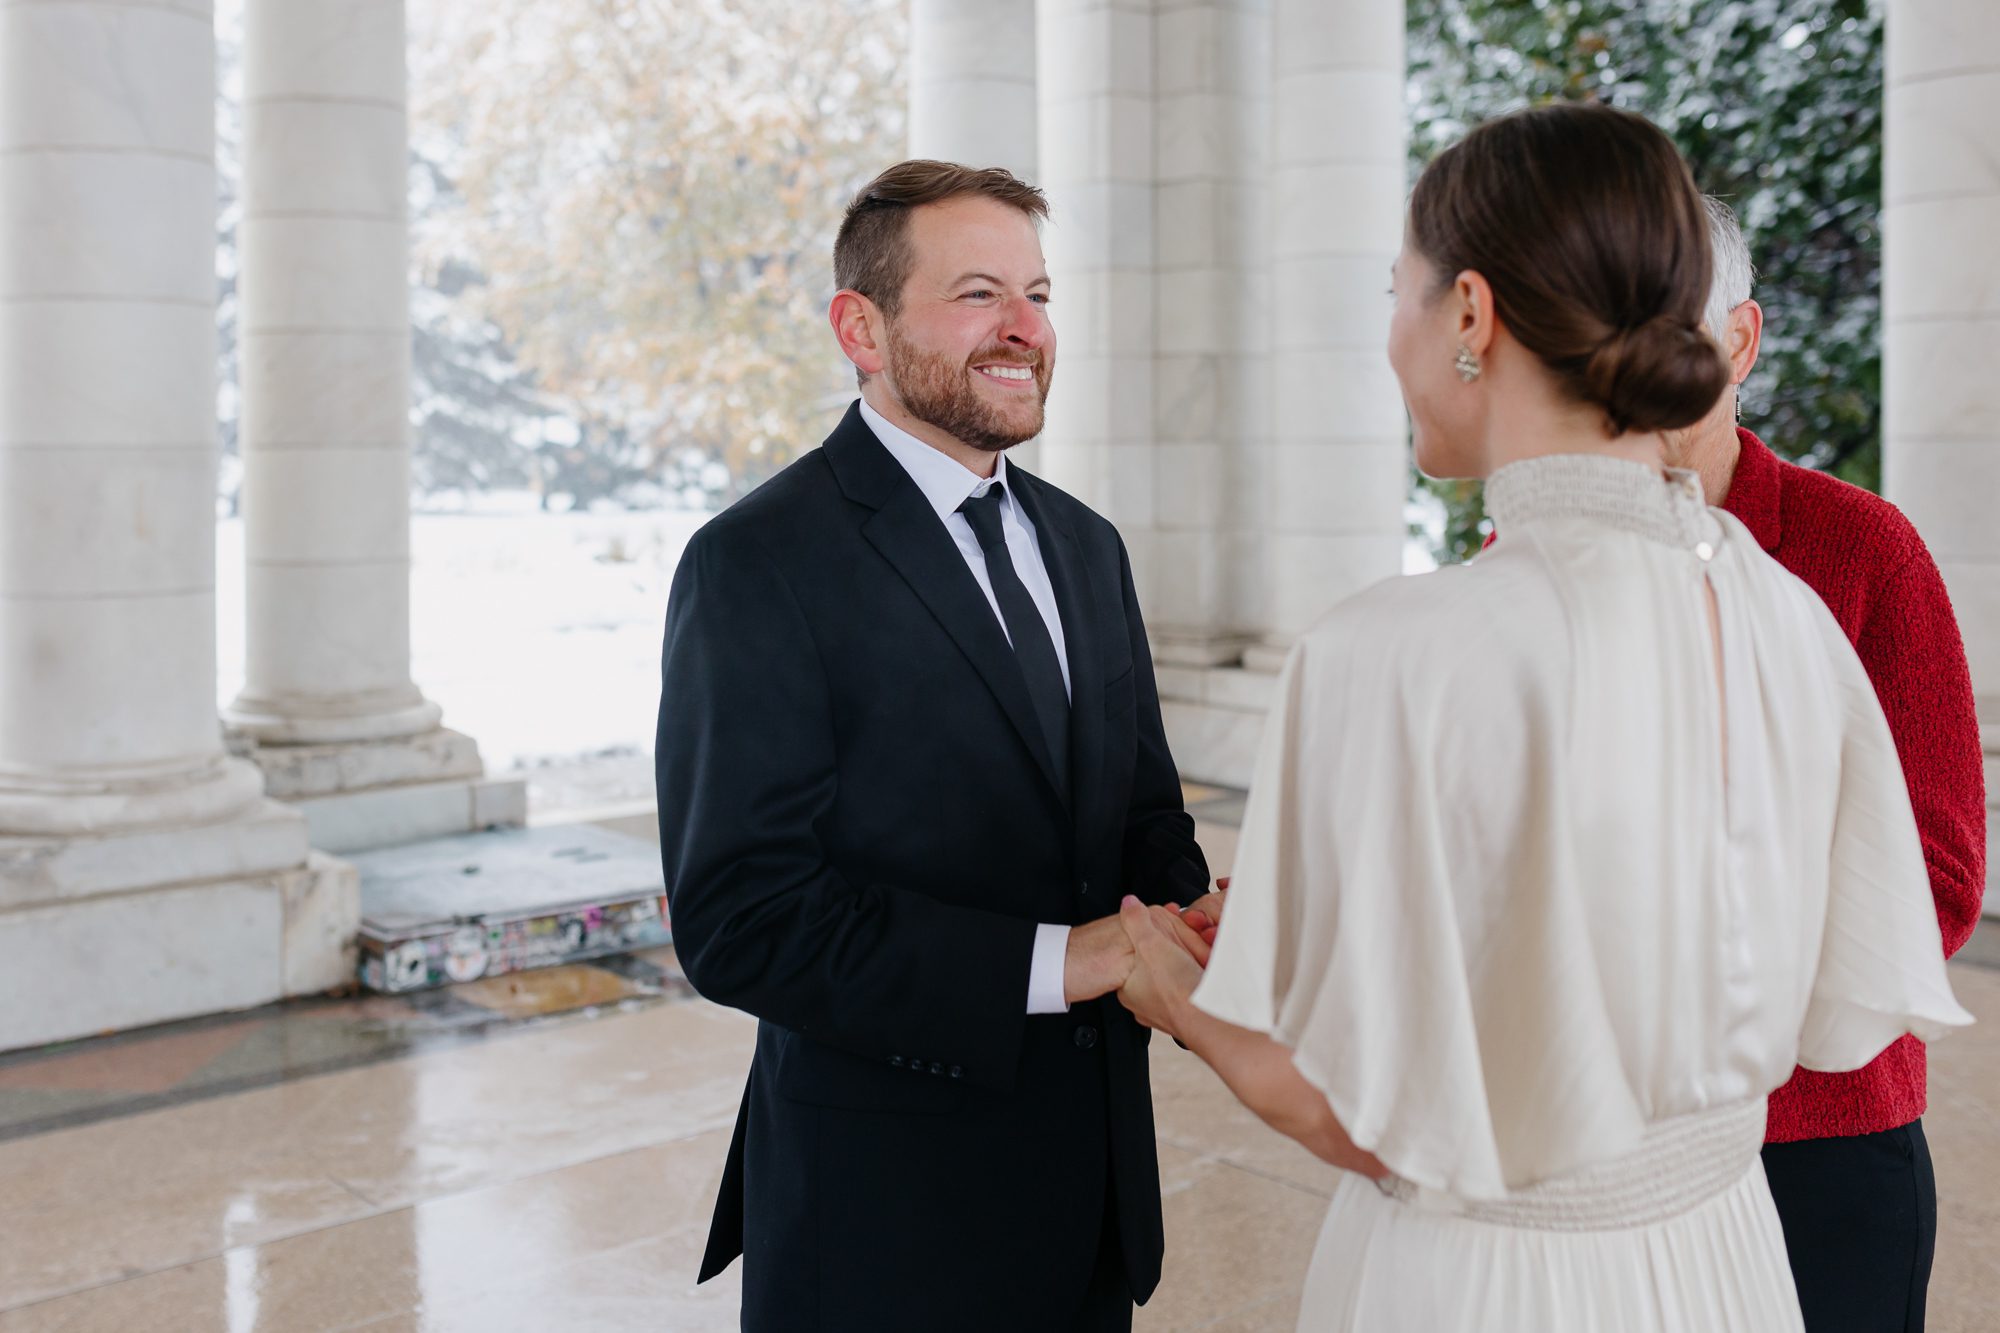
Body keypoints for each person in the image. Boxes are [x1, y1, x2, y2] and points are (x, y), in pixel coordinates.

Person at [1111, 102, 1971, 1332]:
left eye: (1393, 289)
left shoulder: (1385, 647)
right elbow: (1829, 999)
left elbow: (1352, 1114)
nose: (1388, 332)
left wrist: (1172, 990)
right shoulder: (1785, 614)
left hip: (1495, 1281)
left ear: (1468, 314)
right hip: (1725, 1261)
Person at [654, 160, 1219, 1333]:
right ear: (858, 327)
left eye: (1038, 292)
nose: (1025, 328)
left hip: (1093, 1204)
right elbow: (740, 918)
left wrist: (1184, 916)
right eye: (976, 294)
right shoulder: (756, 562)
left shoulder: (1087, 546)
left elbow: (1137, 814)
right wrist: (1061, 958)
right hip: (881, 1225)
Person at [1668, 198, 1986, 1333]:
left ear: (1740, 341)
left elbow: (1938, 881)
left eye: (1672, 331)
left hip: (1821, 1142)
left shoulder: (1862, 549)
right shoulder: (1527, 559)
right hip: (1615, 1148)